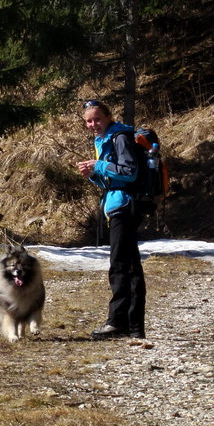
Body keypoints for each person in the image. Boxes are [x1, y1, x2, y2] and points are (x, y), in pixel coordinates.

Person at [76, 99, 146, 339]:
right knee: (128, 265)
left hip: (125, 206)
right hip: (117, 204)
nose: (93, 124)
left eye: (97, 119)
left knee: (121, 266)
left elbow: (129, 172)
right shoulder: (106, 139)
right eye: (89, 121)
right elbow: (112, 179)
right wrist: (93, 174)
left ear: (108, 117)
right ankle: (132, 326)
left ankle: (119, 323)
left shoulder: (120, 137)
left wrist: (99, 165)